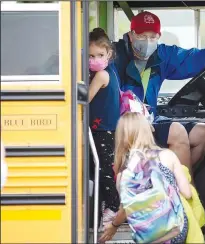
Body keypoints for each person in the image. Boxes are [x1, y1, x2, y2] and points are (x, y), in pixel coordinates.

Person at [112, 11, 205, 174]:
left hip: (151, 119)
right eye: (142, 35)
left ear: (158, 37)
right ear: (131, 35)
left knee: (204, 133)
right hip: (128, 124)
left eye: (152, 37)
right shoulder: (115, 57)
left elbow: (195, 59)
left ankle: (170, 184)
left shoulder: (162, 55)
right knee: (177, 132)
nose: (147, 41)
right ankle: (185, 195)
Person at [99, 112, 192, 243]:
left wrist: (114, 226)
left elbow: (127, 208)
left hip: (150, 234)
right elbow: (187, 194)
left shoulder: (126, 171)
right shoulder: (169, 155)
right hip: (176, 229)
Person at [88, 27, 121, 226]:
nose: (95, 59)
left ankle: (113, 207)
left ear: (109, 53)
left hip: (102, 131)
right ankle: (107, 207)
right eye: (91, 55)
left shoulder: (101, 75)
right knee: (103, 168)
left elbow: (85, 98)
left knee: (104, 170)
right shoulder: (111, 70)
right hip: (106, 129)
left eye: (100, 55)